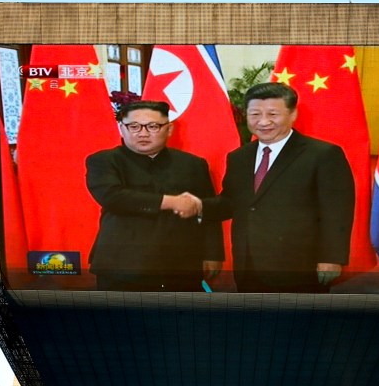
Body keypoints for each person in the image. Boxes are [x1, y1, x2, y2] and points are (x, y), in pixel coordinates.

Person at [198, 82, 355, 293]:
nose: (263, 122)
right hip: (248, 264)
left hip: (299, 266)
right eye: (255, 114)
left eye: (273, 114)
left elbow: (337, 210)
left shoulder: (322, 154)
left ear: (293, 114)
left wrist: (331, 257)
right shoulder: (239, 157)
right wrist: (194, 206)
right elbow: (231, 202)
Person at [85, 100, 224, 291]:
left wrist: (213, 254)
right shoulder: (104, 161)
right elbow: (113, 197)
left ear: (169, 129)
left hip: (181, 265)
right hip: (121, 264)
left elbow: (208, 210)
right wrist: (171, 202)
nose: (142, 133)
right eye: (133, 126)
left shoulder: (193, 164)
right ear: (121, 128)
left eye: (153, 126)